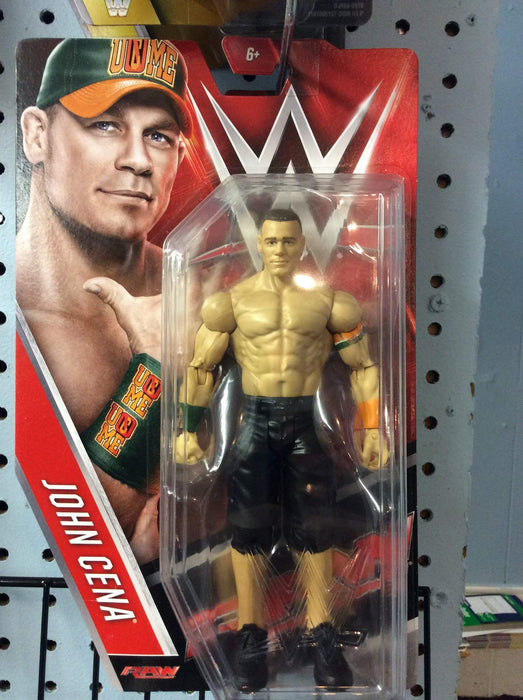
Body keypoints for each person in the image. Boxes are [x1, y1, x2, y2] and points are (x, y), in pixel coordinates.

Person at [176, 208, 388, 691]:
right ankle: (251, 636)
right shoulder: (230, 304)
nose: (279, 250)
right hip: (254, 422)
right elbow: (200, 370)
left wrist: (372, 429)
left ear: (301, 245)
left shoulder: (330, 305)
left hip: (304, 423)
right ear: (260, 245)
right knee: (248, 531)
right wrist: (188, 430)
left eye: (288, 242)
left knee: (314, 531)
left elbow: (363, 368)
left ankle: (322, 632)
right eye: (271, 242)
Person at [16, 38, 192, 563]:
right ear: (37, 135)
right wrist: (153, 374)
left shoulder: (212, 289)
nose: (138, 160)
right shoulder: (15, 316)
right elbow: (72, 535)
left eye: (158, 136)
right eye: (106, 125)